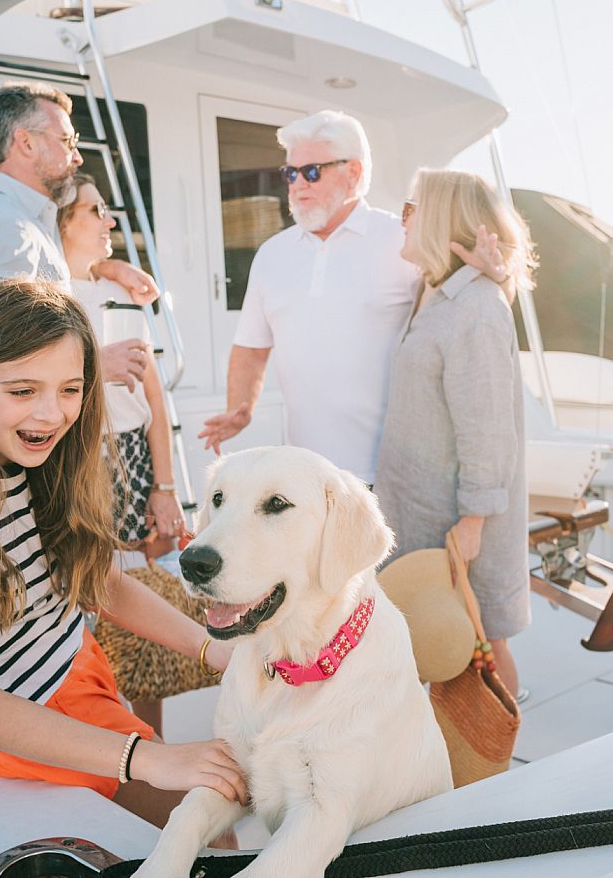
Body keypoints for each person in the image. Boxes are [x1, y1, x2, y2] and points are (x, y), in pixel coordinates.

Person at [0, 280, 244, 832]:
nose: (51, 414)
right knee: (211, 831)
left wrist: (210, 649)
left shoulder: (38, 463)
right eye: (23, 391)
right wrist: (151, 759)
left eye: (71, 389)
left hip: (81, 668)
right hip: (30, 719)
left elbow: (98, 582)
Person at [198, 110, 505, 484]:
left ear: (353, 173)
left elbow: (461, 317)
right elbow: (251, 346)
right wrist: (240, 408)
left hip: (392, 474)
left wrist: (495, 277)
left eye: (311, 172)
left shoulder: (403, 240)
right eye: (290, 173)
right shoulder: (272, 254)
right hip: (306, 474)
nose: (297, 184)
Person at [373, 169, 536, 700]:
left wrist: (473, 521)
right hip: (420, 511)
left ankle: (498, 749)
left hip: (459, 521)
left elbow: (488, 429)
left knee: (482, 643)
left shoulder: (474, 308)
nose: (403, 221)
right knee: (438, 645)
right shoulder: (437, 293)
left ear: (441, 218)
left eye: (411, 209)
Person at [59, 173, 196, 736]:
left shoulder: (121, 295)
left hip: (132, 456)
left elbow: (155, 402)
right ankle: (107, 741)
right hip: (75, 460)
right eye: (94, 211)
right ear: (61, 222)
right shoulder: (47, 296)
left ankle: (153, 740)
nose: (109, 220)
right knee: (86, 608)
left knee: (141, 605)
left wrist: (165, 489)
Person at [0, 82, 155, 389]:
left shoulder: (27, 222)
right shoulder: (4, 226)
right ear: (26, 143)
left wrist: (110, 268)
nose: (77, 157)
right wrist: (95, 364)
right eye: (68, 141)